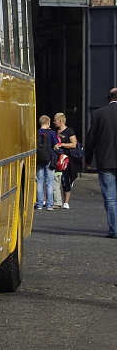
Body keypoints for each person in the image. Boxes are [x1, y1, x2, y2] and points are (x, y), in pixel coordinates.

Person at [84, 86, 117, 239]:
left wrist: (88, 158)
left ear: (109, 99)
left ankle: (114, 230)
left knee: (110, 197)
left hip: (106, 160)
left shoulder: (98, 114)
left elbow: (91, 139)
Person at [53, 111, 79, 210]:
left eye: (55, 121)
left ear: (60, 121)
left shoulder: (69, 131)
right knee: (55, 180)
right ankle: (55, 201)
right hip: (56, 158)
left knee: (65, 180)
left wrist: (62, 145)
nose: (54, 123)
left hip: (66, 159)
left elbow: (74, 144)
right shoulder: (54, 132)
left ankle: (66, 202)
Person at [35, 115, 58, 210]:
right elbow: (56, 145)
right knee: (49, 182)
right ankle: (49, 205)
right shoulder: (51, 133)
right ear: (48, 123)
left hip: (39, 158)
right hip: (49, 158)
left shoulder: (37, 132)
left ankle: (40, 204)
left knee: (40, 181)